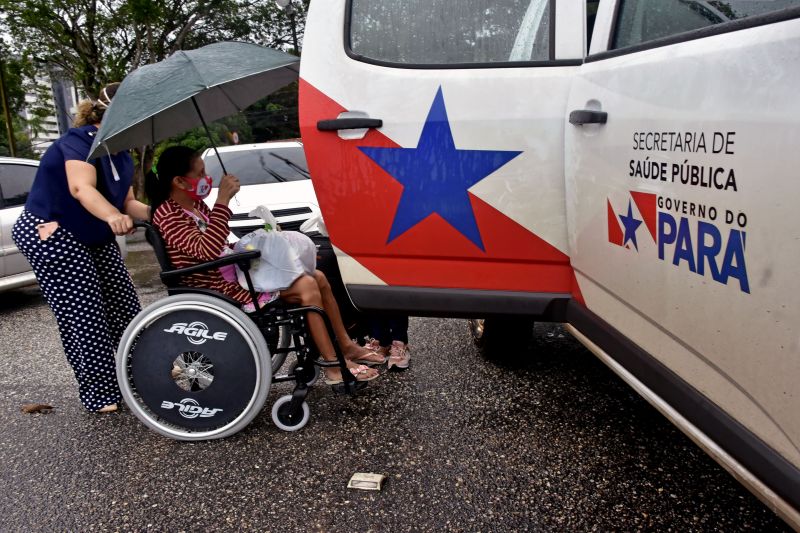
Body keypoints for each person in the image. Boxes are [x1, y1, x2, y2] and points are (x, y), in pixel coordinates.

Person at [146, 146, 385, 384]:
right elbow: (206, 250)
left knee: (318, 276)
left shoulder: (194, 205)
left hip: (235, 272)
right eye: (199, 174)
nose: (205, 178)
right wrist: (222, 202)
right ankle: (333, 367)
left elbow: (219, 242)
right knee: (307, 287)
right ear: (179, 181)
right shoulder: (168, 215)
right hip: (218, 287)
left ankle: (345, 345)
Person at [11, 83, 149, 413]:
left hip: (92, 233)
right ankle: (100, 393)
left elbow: (129, 202)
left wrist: (164, 216)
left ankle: (139, 373)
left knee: (125, 303)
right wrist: (112, 215)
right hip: (51, 231)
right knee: (85, 313)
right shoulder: (80, 142)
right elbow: (80, 188)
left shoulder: (121, 152)